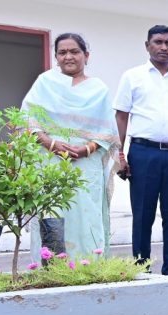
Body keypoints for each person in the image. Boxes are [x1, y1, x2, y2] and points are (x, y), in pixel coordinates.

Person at [22, 33, 120, 259]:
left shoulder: (98, 89)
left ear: (86, 55)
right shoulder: (45, 83)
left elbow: (108, 133)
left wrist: (86, 149)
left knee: (86, 215)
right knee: (51, 212)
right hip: (50, 161)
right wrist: (52, 143)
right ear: (56, 57)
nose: (68, 56)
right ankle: (49, 268)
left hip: (86, 164)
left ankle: (89, 266)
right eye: (62, 52)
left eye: (74, 51)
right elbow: (27, 121)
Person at [113, 25, 168, 277]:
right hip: (143, 154)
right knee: (143, 215)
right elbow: (121, 117)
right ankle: (142, 270)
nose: (163, 47)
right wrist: (120, 154)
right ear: (147, 45)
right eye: (158, 42)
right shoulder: (132, 76)